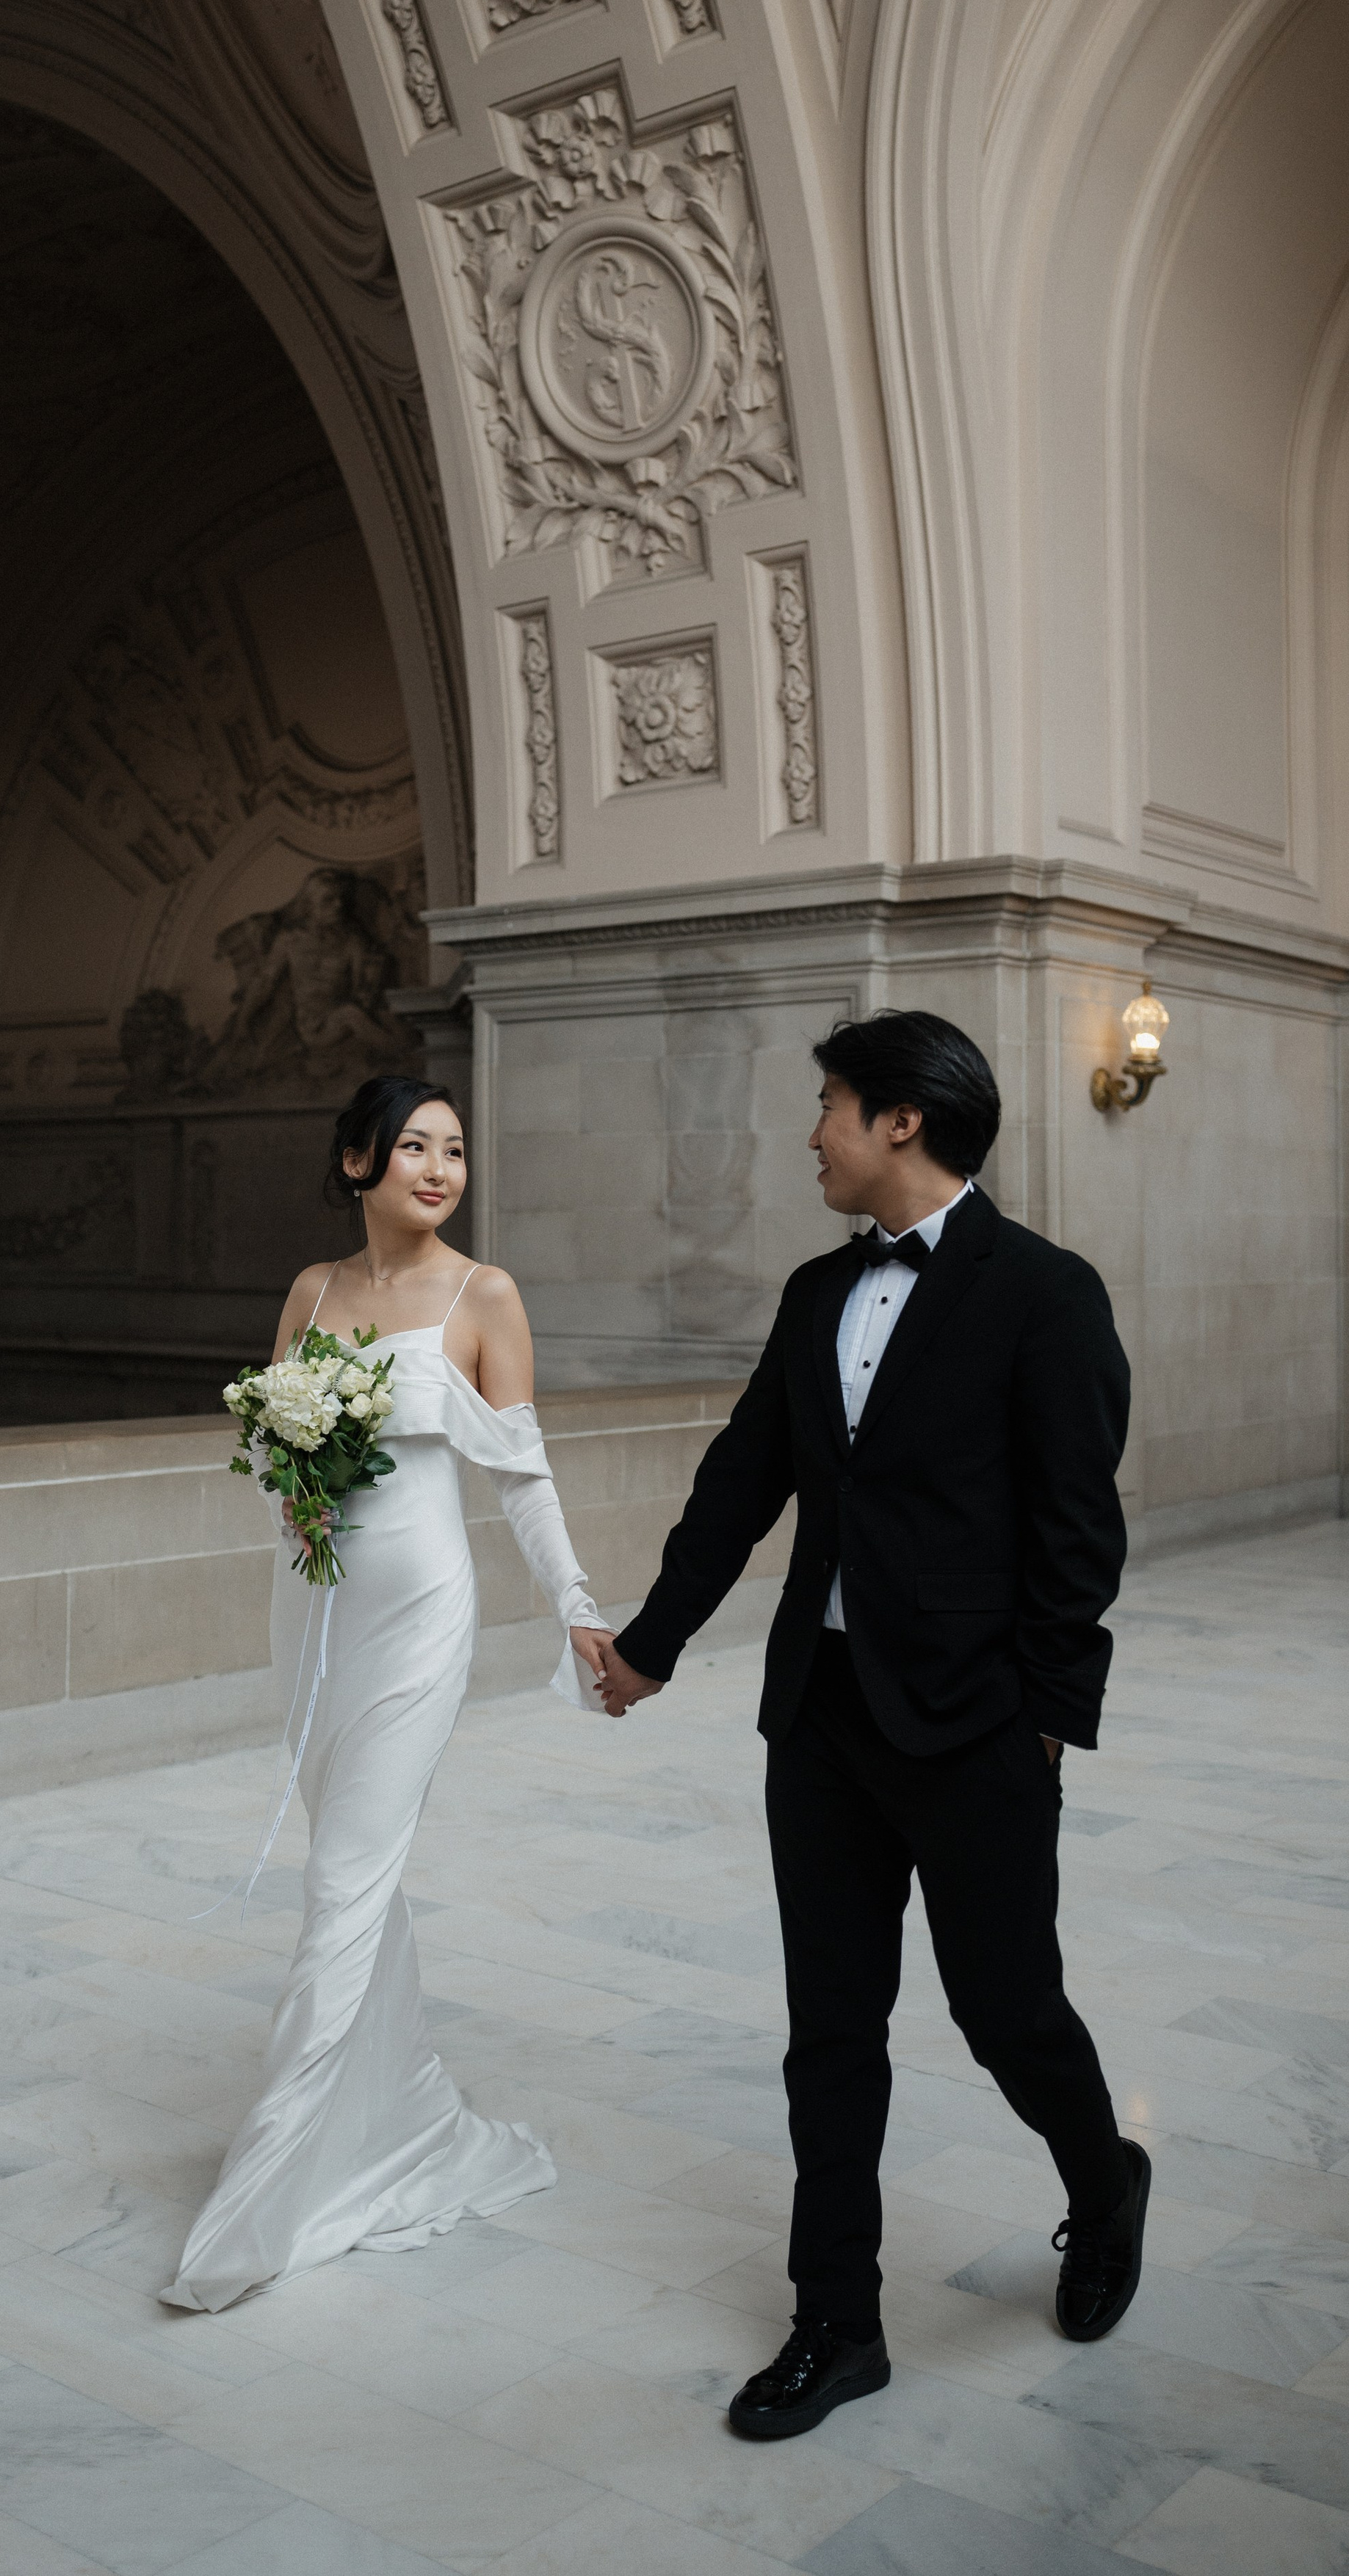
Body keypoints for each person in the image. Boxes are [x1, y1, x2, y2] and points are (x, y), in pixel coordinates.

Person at [580, 1009, 1147, 2439]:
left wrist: (1041, 1725)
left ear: (900, 1119)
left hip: (974, 1733)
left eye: (829, 1105)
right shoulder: (808, 1292)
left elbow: (1078, 1533)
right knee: (828, 2031)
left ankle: (1104, 2181)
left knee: (1002, 2010)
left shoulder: (1043, 1293)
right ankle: (835, 2324)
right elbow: (739, 1482)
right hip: (819, 1721)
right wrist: (650, 1643)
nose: (811, 1132)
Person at [161, 1074, 614, 2311]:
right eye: (413, 1146)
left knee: (344, 1876)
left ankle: (275, 2182)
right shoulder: (312, 1292)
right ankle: (391, 2115)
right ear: (358, 1158)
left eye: (455, 1151)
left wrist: (575, 1607)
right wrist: (296, 1470)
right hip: (312, 1605)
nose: (438, 1168)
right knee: (351, 1869)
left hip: (420, 1614)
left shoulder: (485, 1295)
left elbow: (521, 1474)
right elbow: (267, 1450)